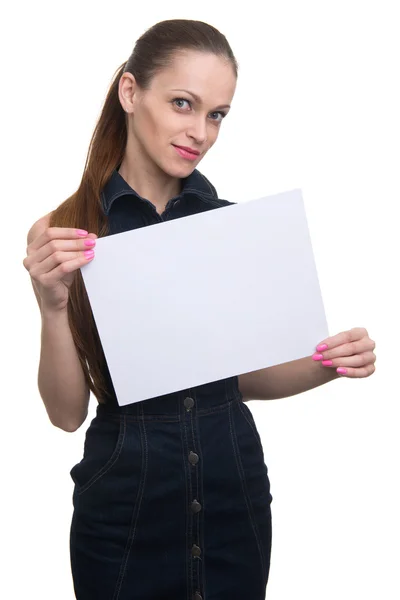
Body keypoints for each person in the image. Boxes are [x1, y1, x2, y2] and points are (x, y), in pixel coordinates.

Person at [22, 18, 376, 600]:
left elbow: (236, 380)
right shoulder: (66, 231)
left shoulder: (232, 228)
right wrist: (52, 308)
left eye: (216, 114)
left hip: (233, 487)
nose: (200, 132)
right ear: (131, 93)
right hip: (123, 501)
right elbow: (65, 414)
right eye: (183, 104)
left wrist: (329, 363)